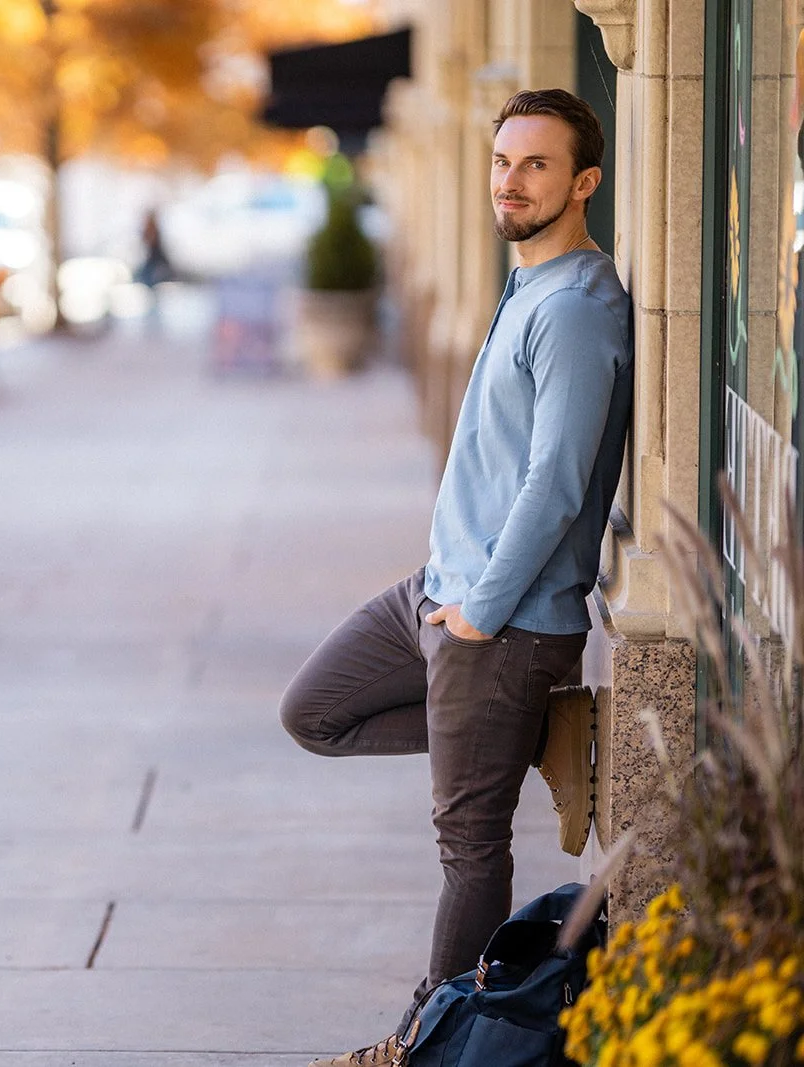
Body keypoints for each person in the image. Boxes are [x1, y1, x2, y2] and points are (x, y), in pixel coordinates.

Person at [279, 88, 632, 1067]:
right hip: (439, 591)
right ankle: (500, 739)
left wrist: (479, 610)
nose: (510, 182)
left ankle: (422, 1043)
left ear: (584, 182)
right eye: (502, 161)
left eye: (536, 165)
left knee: (467, 843)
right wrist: (453, 596)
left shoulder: (573, 309)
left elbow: (555, 483)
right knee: (313, 711)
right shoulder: (530, 285)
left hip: (499, 618)